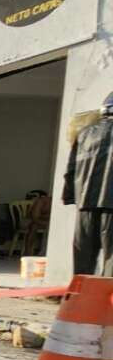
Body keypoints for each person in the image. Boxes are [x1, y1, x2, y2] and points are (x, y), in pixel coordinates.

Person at [63, 91, 113, 276]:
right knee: (111, 259)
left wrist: (70, 196)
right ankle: (108, 302)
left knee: (83, 259)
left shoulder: (84, 134)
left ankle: (81, 301)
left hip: (85, 204)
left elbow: (71, 170)